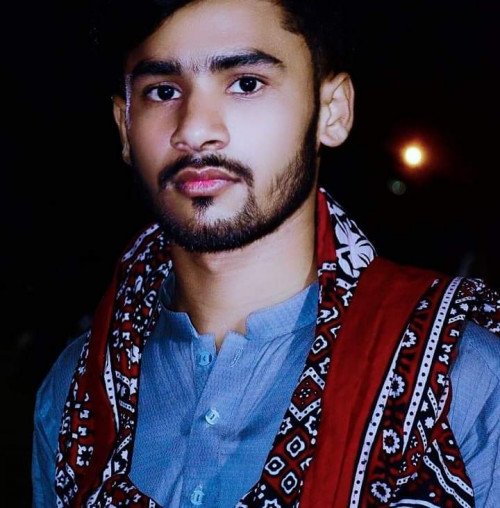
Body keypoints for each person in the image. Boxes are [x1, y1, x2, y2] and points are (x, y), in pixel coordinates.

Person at [32, 1, 500, 506]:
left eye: (246, 83)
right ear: (125, 126)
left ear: (332, 111)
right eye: (163, 91)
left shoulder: (461, 380)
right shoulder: (74, 390)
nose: (195, 130)